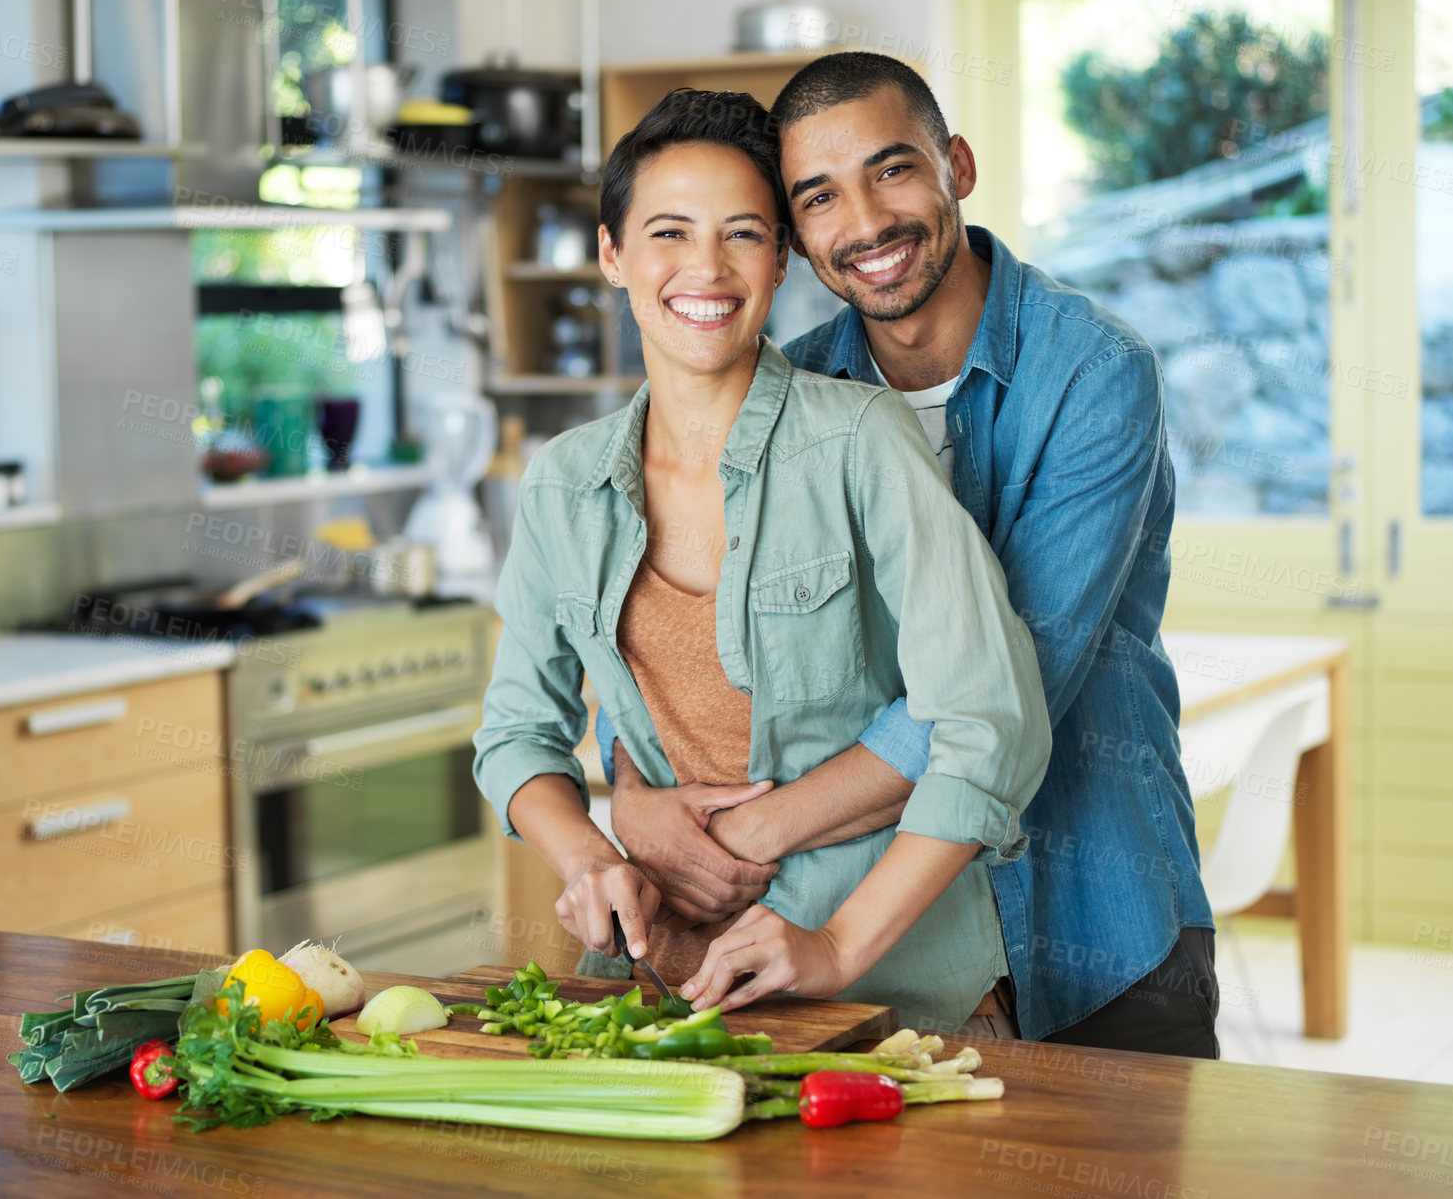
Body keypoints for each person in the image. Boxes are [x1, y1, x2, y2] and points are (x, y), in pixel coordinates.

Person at [601, 52, 1219, 1058]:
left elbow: (998, 692)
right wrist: (632, 792)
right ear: (795, 239)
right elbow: (681, 640)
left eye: (891, 170)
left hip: (1091, 920)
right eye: (818, 197)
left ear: (957, 166)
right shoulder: (785, 395)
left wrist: (743, 836)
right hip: (880, 940)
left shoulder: (1094, 373)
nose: (866, 222)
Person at [471, 87, 1051, 1032]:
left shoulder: (861, 440)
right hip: (652, 991)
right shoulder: (563, 483)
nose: (705, 267)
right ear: (613, 255)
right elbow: (516, 737)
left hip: (887, 991)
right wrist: (588, 857)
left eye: (742, 233)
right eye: (668, 233)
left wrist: (837, 944)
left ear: (780, 260)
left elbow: (989, 719)